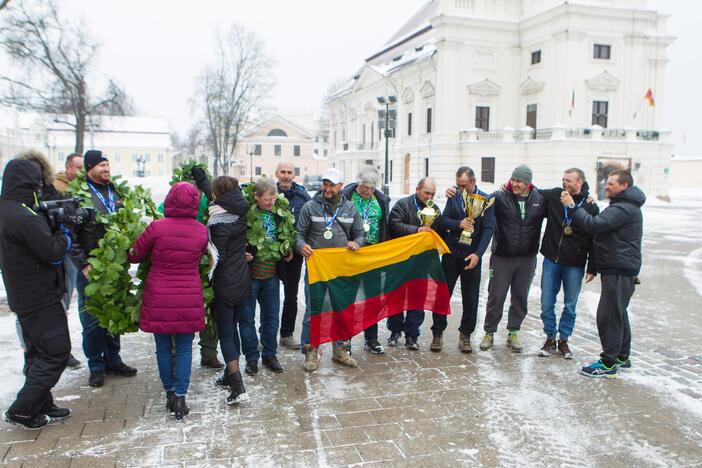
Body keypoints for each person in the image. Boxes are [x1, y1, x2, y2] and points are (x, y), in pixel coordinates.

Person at [0, 159, 72, 429]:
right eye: (38, 184)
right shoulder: (23, 216)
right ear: (29, 184)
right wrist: (64, 231)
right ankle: (23, 408)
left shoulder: (6, 210)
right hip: (39, 296)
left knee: (37, 353)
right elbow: (53, 252)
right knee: (56, 352)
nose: (41, 190)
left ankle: (41, 402)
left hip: (23, 294)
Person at [128, 182, 208, 420]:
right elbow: (201, 256)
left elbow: (135, 255)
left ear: (170, 199)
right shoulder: (201, 230)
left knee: (163, 347)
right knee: (184, 348)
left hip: (159, 294)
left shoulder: (157, 228)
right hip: (188, 295)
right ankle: (182, 397)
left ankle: (170, 392)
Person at [560, 170, 645, 377]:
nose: (606, 186)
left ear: (624, 186)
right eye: (607, 183)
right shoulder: (622, 206)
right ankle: (622, 356)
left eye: (611, 184)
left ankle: (608, 362)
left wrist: (572, 206)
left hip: (619, 269)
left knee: (608, 315)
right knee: (618, 312)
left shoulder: (623, 209)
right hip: (619, 267)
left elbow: (594, 226)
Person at [70, 150, 137, 387]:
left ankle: (113, 358)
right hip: (93, 267)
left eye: (108, 165)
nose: (106, 169)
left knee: (114, 311)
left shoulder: (116, 191)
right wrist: (84, 264)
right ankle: (96, 365)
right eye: (101, 165)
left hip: (115, 265)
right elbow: (70, 236)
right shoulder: (79, 196)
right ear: (89, 168)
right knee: (93, 317)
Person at [14, 150, 82, 369]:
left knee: (61, 300)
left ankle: (62, 350)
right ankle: (31, 352)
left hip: (58, 251)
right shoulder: (18, 200)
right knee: (28, 313)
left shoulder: (52, 189)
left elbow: (61, 214)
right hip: (32, 259)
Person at [296, 167, 365, 372]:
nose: (327, 188)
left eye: (332, 185)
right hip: (317, 269)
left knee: (342, 310)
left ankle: (341, 350)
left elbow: (360, 234)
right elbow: (298, 234)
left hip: (342, 270)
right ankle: (311, 351)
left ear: (340, 186)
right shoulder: (309, 207)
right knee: (314, 310)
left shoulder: (351, 209)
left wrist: (356, 243)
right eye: (325, 184)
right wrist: (301, 246)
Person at [480, 165, 545, 353]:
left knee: (520, 297)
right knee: (496, 295)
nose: (515, 184)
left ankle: (513, 332)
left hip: (527, 258)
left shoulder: (540, 199)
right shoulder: (500, 196)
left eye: (519, 181)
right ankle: (489, 332)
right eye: (513, 180)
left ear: (528, 183)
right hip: (502, 256)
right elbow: (479, 203)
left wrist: (587, 196)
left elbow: (561, 203)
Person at [537, 168, 599, 359]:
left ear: (579, 182)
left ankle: (564, 340)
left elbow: (594, 237)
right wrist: (506, 187)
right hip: (551, 260)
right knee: (546, 302)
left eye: (569, 180)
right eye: (563, 179)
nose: (564, 183)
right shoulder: (555, 195)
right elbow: (532, 191)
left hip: (575, 263)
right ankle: (550, 337)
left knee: (570, 305)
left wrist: (593, 267)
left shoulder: (590, 207)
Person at [432, 167, 495, 353]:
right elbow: (443, 221)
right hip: (451, 254)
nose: (460, 189)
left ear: (473, 181)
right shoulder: (454, 197)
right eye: (458, 185)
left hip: (471, 256)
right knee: (442, 295)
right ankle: (437, 333)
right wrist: (458, 224)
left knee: (471, 298)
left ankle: (465, 335)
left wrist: (478, 254)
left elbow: (489, 229)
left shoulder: (486, 200)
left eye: (464, 185)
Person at [167, 167, 224, 371]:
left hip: (207, 265)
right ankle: (175, 354)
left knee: (210, 310)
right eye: (191, 188)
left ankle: (209, 353)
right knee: (181, 313)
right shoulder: (168, 204)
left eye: (198, 188)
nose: (195, 193)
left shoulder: (210, 203)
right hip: (182, 267)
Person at [240, 178, 292, 375]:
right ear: (256, 197)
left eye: (273, 198)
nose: (271, 203)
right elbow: (235, 238)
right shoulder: (246, 215)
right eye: (266, 199)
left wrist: (287, 247)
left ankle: (270, 354)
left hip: (271, 275)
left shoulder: (279, 213)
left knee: (271, 318)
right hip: (250, 276)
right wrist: (240, 252)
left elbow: (285, 235)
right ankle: (251, 357)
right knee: (246, 319)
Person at [207, 176, 251, 405]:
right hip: (243, 276)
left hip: (226, 280)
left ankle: (237, 385)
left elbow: (218, 256)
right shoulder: (240, 210)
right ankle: (229, 374)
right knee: (233, 326)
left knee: (225, 331)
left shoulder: (218, 221)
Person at [341, 166, 391, 354]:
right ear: (358, 183)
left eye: (372, 188)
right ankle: (345, 340)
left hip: (374, 253)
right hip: (352, 252)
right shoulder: (346, 196)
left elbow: (386, 225)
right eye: (365, 187)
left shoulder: (381, 200)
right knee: (349, 297)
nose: (369, 191)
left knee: (373, 298)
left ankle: (371, 338)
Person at [387, 177, 441, 350]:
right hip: (400, 260)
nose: (429, 196)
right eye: (427, 193)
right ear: (417, 189)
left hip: (421, 262)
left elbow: (438, 233)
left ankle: (412, 334)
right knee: (396, 297)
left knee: (417, 299)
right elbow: (394, 225)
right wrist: (417, 230)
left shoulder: (435, 209)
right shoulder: (402, 205)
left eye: (433, 193)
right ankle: (395, 330)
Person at [275, 162, 311, 350]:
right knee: (268, 296)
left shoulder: (303, 197)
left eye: (290, 172)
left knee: (291, 295)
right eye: (283, 172)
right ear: (277, 174)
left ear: (294, 175)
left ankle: (287, 334)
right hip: (271, 255)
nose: (286, 176)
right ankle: (265, 334)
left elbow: (308, 225)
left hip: (294, 256)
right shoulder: (268, 193)